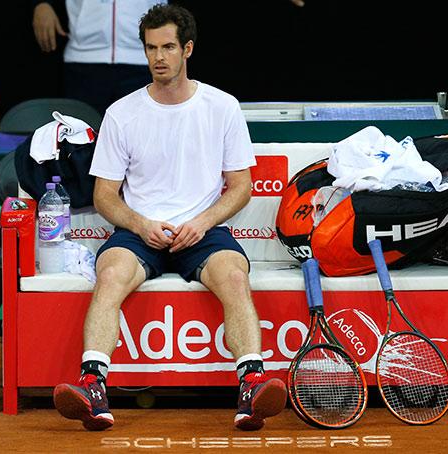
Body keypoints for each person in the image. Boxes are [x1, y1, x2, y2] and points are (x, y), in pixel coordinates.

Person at [51, 4, 287, 431]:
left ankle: (252, 385)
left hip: (204, 230)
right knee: (110, 274)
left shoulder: (223, 106)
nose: (159, 57)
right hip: (141, 231)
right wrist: (141, 224)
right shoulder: (122, 112)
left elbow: (241, 186)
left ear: (187, 49)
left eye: (168, 47)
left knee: (234, 276)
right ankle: (92, 387)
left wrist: (200, 222)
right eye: (150, 48)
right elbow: (105, 196)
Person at [32, 0, 166, 115]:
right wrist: (42, 3)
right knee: (83, 139)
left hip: (144, 59)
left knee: (142, 138)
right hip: (83, 60)